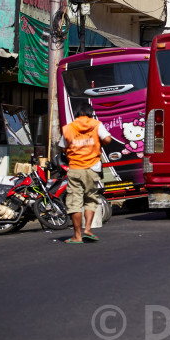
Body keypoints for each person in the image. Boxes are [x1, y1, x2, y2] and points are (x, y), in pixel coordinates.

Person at [58, 103, 113, 244]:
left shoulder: (68, 128)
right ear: (90, 113)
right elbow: (107, 139)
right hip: (93, 168)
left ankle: (77, 235)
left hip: (75, 169)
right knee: (90, 199)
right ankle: (88, 229)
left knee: (75, 202)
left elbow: (62, 148)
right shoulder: (96, 124)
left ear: (76, 114)